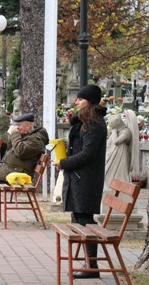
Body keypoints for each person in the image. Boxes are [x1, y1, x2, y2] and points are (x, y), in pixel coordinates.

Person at [54, 85, 107, 279]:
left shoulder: (94, 123)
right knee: (79, 218)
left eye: (80, 99)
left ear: (90, 101)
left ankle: (91, 266)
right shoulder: (85, 121)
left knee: (85, 220)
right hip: (79, 178)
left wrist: (63, 163)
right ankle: (88, 262)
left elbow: (88, 153)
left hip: (86, 179)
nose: (76, 102)